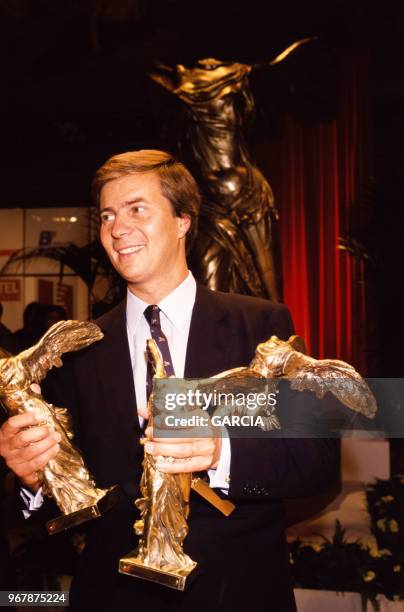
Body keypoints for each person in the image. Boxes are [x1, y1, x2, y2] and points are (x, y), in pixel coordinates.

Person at [0, 150, 339, 611]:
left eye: (137, 209)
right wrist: (30, 480)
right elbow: (45, 495)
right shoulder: (76, 347)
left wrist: (222, 452)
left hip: (237, 590)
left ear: (183, 220)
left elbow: (318, 458)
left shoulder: (259, 326)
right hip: (112, 595)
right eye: (107, 215)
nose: (118, 228)